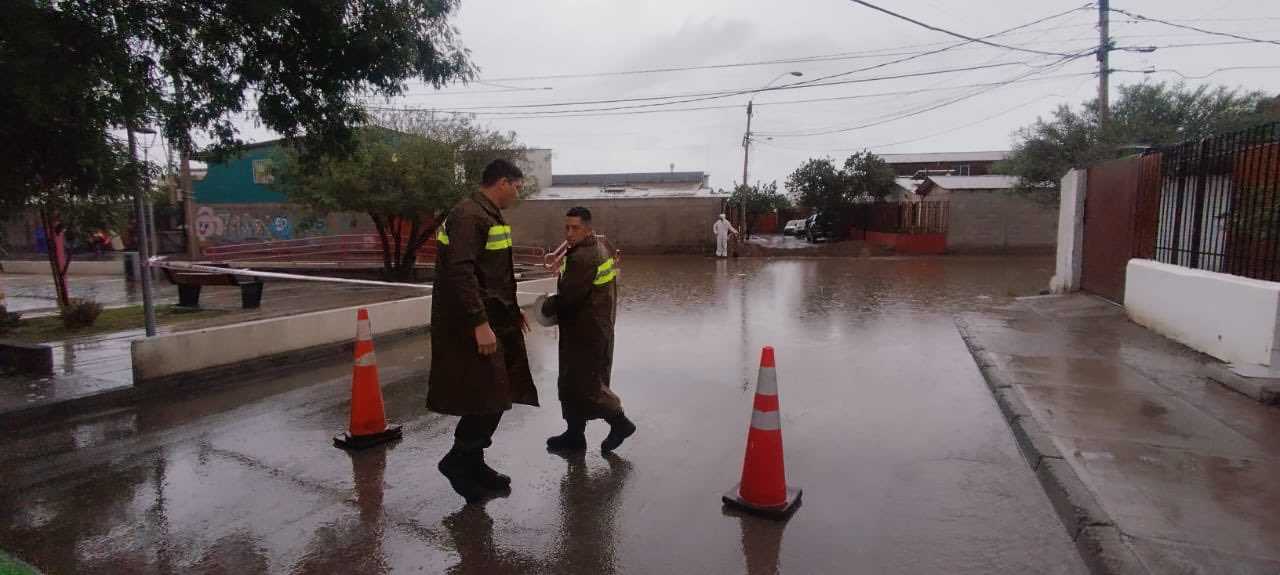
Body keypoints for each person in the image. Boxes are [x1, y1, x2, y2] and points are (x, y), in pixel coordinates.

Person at [427, 158, 539, 504]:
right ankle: (459, 462)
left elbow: (493, 274)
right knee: (488, 394)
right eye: (517, 186)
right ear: (502, 182)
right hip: (473, 325)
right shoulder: (468, 215)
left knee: (493, 394)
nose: (517, 194)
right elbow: (460, 274)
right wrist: (479, 324)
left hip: (495, 318)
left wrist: (511, 310)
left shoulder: (485, 213)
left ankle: (473, 461)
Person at [541, 207, 636, 453]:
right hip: (587, 327)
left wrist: (542, 306)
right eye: (567, 227)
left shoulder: (584, 256)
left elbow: (568, 298)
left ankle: (620, 423)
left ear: (588, 229)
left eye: (575, 228)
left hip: (586, 332)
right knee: (572, 384)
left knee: (587, 385)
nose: (569, 233)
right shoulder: (595, 247)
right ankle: (574, 436)